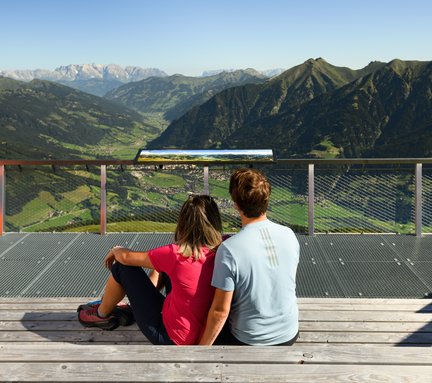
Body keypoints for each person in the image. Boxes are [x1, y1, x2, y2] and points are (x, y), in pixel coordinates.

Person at [77, 194, 223, 345]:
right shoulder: (225, 248)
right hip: (204, 332)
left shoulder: (176, 254)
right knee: (164, 269)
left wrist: (115, 249)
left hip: (168, 336)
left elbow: (125, 257)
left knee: (121, 268)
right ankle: (135, 306)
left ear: (183, 222)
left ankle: (102, 315)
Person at [199, 168, 300, 346]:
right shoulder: (289, 235)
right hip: (289, 334)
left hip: (249, 340)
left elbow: (220, 312)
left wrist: (200, 350)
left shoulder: (229, 249)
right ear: (266, 201)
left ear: (236, 204)